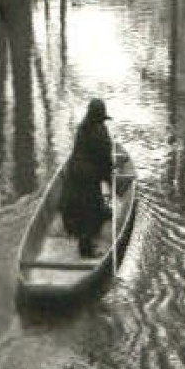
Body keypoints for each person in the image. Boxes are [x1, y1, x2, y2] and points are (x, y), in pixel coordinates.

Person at [60, 98, 114, 257]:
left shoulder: (82, 128)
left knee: (82, 206)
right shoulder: (100, 132)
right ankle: (86, 250)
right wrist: (110, 182)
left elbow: (78, 154)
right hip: (88, 177)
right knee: (89, 212)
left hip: (73, 174)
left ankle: (80, 227)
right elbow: (105, 161)